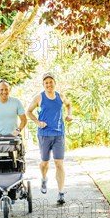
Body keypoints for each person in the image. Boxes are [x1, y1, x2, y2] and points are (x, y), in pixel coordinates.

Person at [26, 72, 73, 205]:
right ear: (43, 84)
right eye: (46, 83)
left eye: (50, 82)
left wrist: (69, 115)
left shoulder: (61, 96)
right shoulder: (39, 97)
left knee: (59, 163)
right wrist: (38, 122)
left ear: (54, 83)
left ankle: (60, 193)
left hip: (59, 134)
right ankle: (44, 178)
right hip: (44, 135)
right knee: (45, 163)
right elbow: (28, 111)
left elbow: (69, 105)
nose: (48, 85)